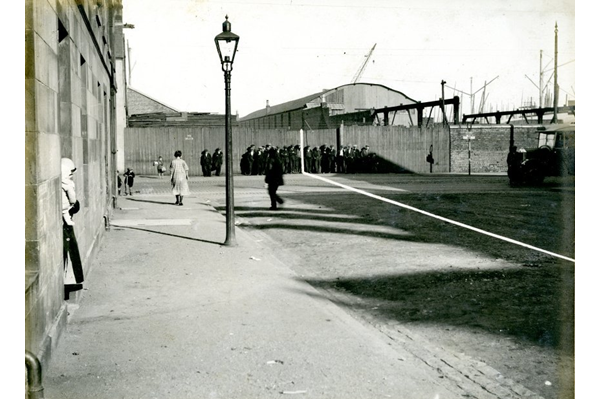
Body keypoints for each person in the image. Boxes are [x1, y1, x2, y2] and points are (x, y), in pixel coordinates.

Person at [61, 158, 84, 300]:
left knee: (70, 253)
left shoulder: (66, 183)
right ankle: (68, 283)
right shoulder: (65, 184)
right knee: (68, 253)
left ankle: (71, 280)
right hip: (65, 224)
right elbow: (72, 201)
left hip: (67, 220)